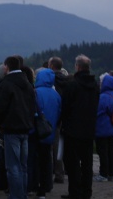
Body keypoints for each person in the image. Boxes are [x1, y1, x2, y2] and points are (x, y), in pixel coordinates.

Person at [0, 55, 35, 199]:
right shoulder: (28, 84)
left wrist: (0, 125)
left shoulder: (6, 84)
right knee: (23, 166)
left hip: (11, 129)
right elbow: (32, 106)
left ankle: (16, 196)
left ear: (7, 66)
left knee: (13, 167)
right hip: (25, 128)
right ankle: (22, 194)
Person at [60, 54, 99, 199]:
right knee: (87, 163)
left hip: (73, 130)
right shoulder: (95, 85)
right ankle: (86, 192)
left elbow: (65, 107)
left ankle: (75, 192)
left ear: (77, 66)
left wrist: (63, 121)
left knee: (73, 163)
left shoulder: (72, 84)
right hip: (89, 130)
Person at [31, 68, 61, 199]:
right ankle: (47, 185)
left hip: (36, 131)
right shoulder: (56, 95)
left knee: (35, 160)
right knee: (47, 159)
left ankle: (36, 186)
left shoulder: (36, 92)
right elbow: (60, 113)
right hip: (50, 130)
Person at [94, 73, 113, 182]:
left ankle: (103, 174)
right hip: (112, 128)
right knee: (111, 151)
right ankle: (112, 174)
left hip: (102, 128)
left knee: (102, 152)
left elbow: (97, 111)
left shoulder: (103, 97)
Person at [48, 56, 69, 184]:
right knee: (60, 146)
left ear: (51, 66)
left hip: (53, 116)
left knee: (50, 146)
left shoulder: (51, 80)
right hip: (65, 117)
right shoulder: (67, 81)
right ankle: (60, 173)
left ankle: (49, 173)